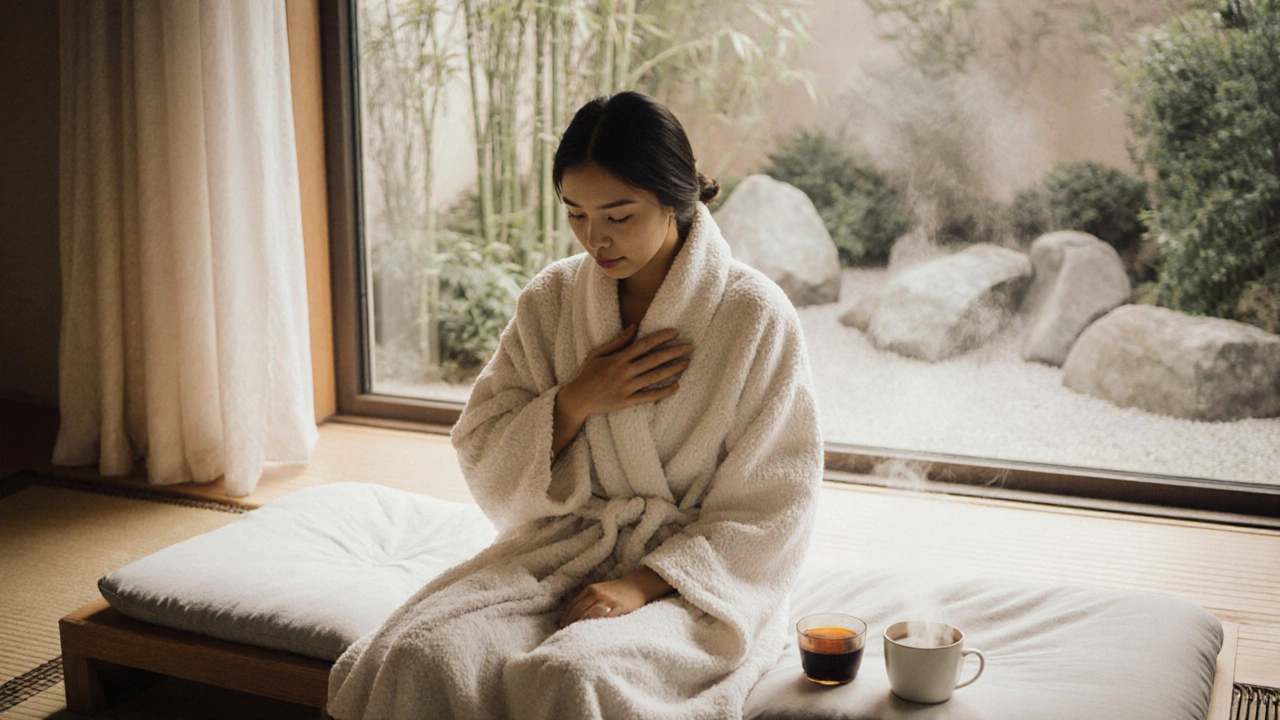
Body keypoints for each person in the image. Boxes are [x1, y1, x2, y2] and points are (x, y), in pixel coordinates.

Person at [327, 90, 823, 720]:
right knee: (423, 654)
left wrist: (641, 583)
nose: (597, 239)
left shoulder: (754, 315)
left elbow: (775, 506)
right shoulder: (554, 299)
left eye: (619, 215)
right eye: (577, 214)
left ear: (677, 198)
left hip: (698, 583)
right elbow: (481, 443)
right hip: (566, 548)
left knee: (572, 674)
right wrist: (577, 400)